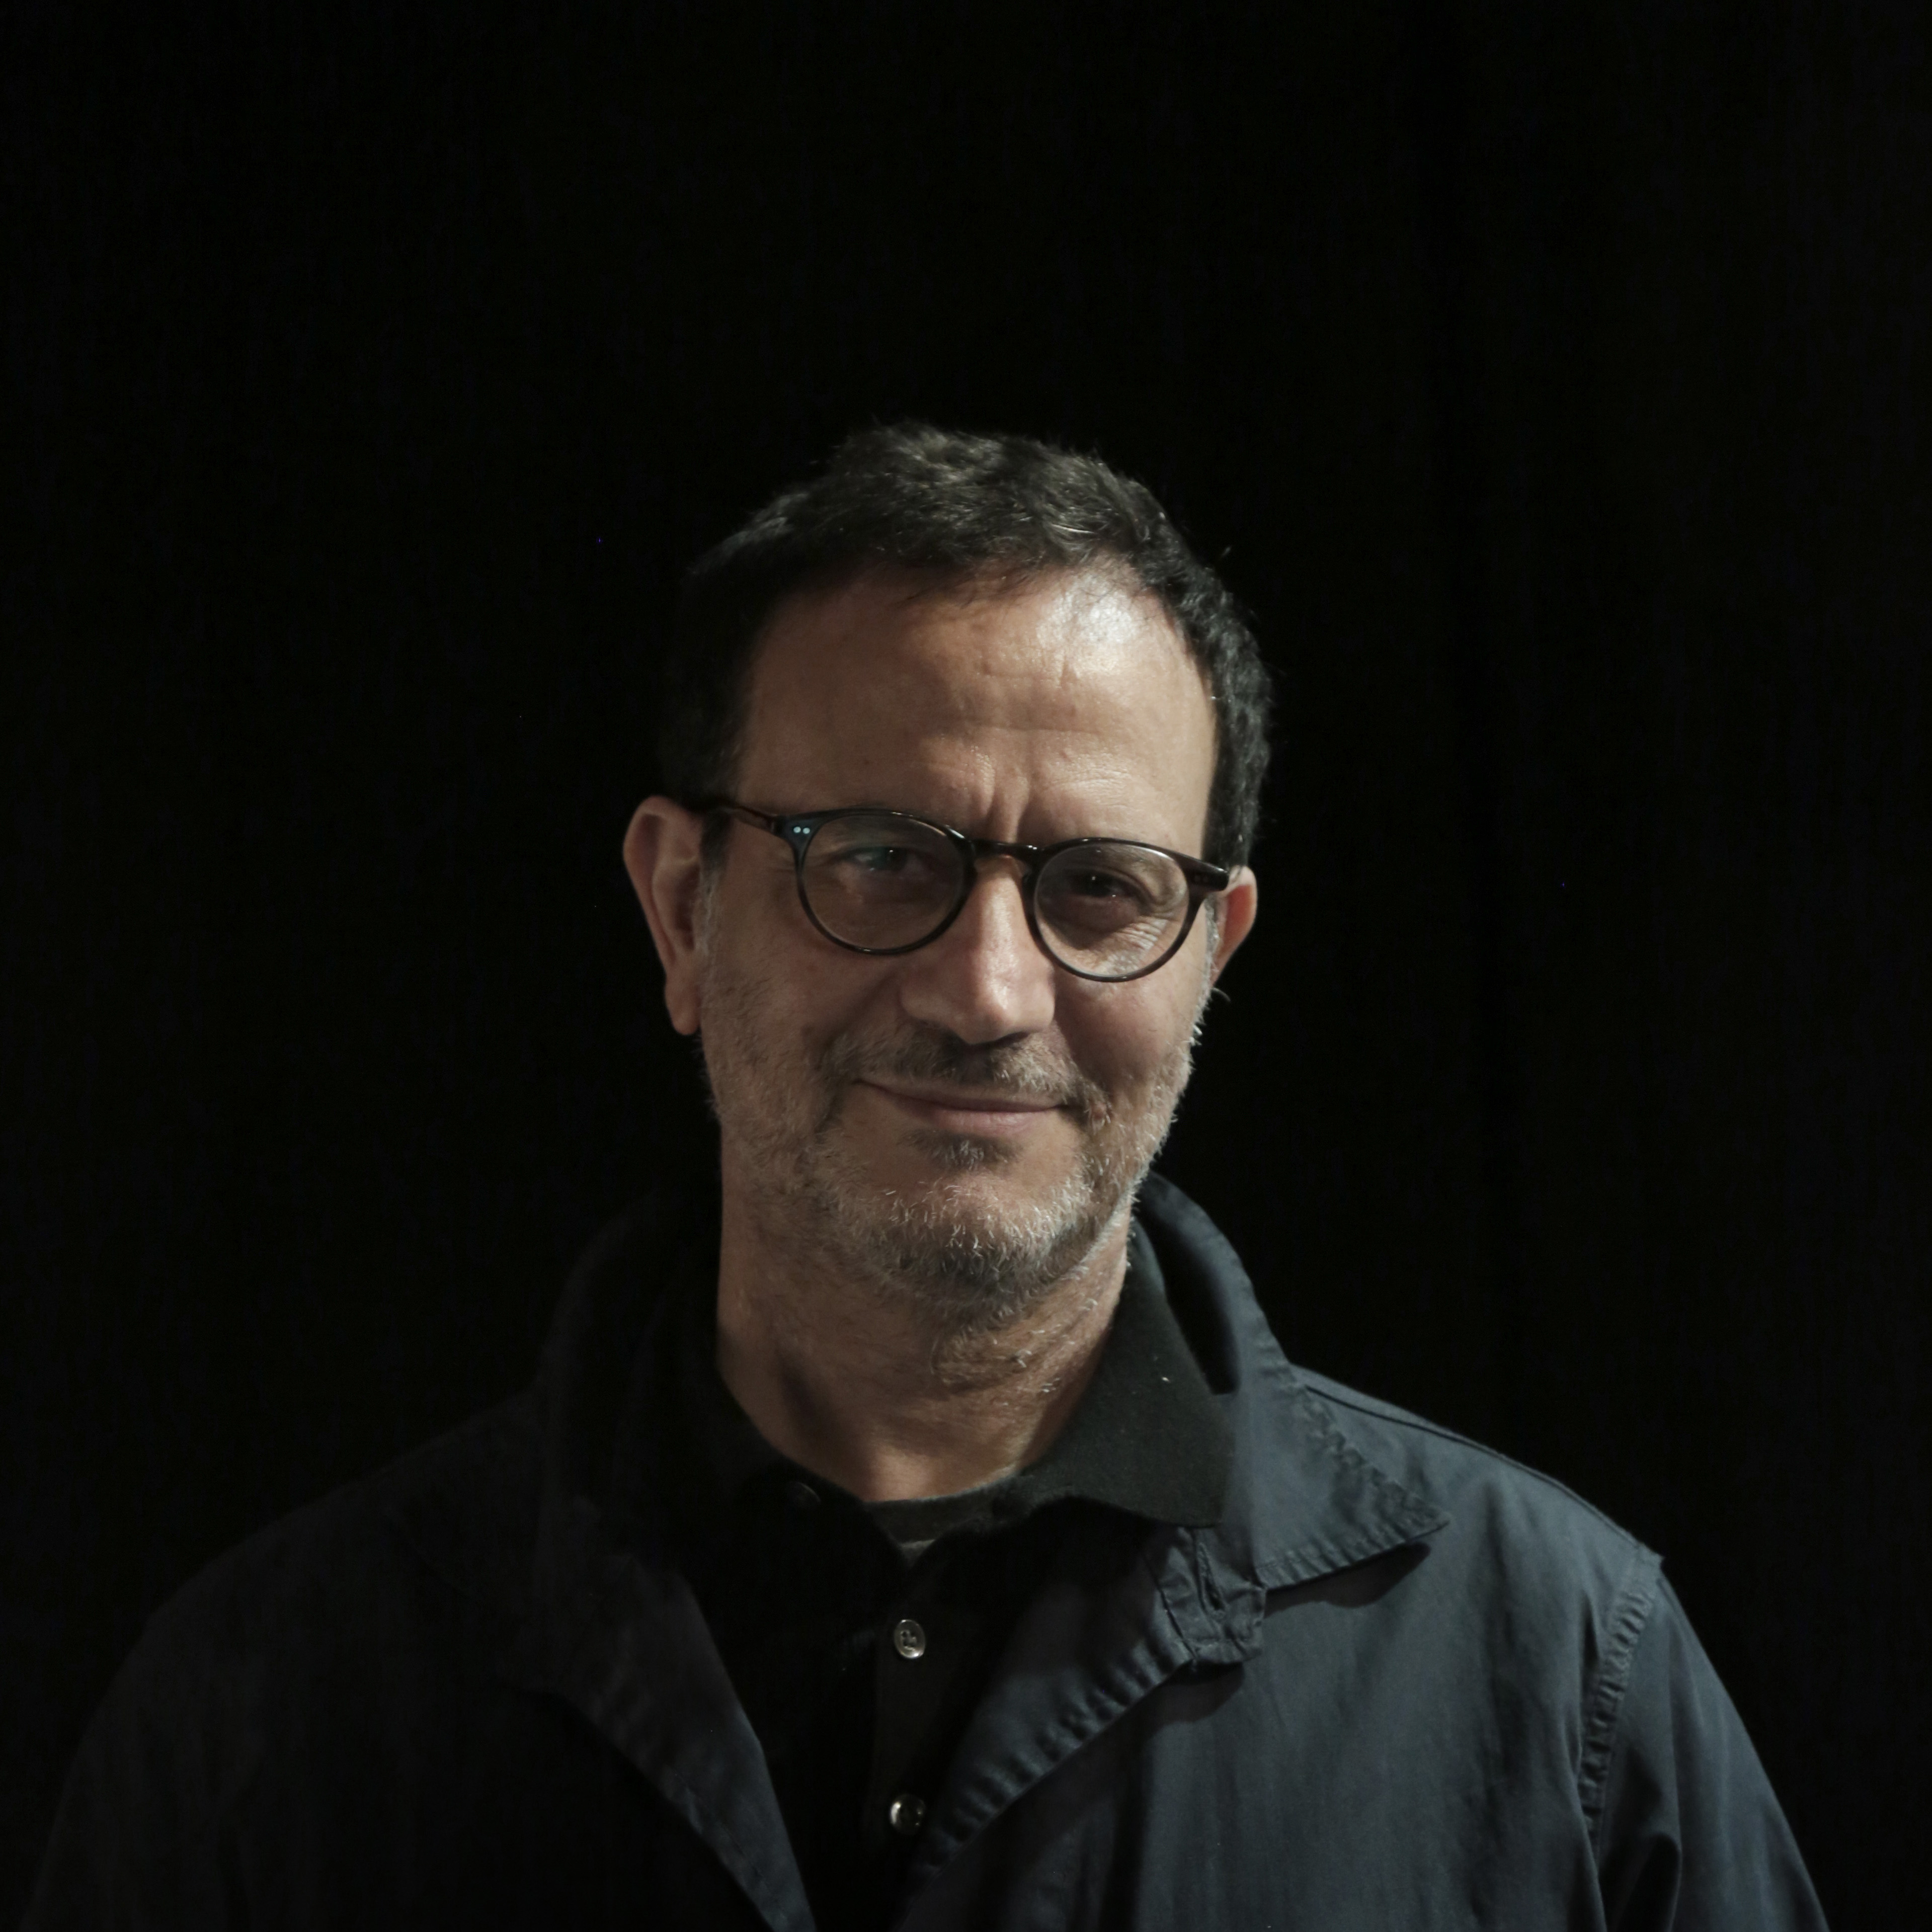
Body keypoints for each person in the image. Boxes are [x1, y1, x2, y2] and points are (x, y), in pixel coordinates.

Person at [28, 425, 1825, 1930]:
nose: (988, 993)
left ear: (1213, 956)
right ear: (681, 909)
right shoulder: (266, 1714)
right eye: (882, 859)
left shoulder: (1558, 1675)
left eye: (1101, 890)